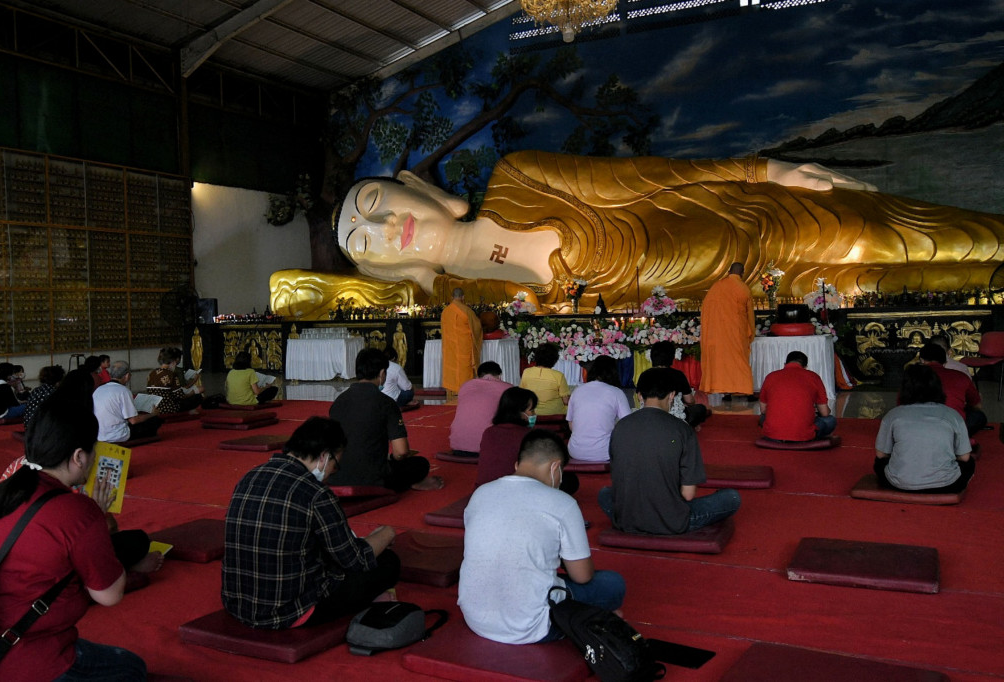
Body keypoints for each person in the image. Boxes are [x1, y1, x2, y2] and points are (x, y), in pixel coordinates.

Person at [271, 152, 1004, 318]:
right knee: (940, 282)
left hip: (760, 221)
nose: (378, 226)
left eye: (371, 201)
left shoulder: (519, 177)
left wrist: (770, 170)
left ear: (416, 190)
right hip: (753, 285)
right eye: (363, 241)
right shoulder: (464, 294)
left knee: (951, 239)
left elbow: (650, 177)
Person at [0, 397, 147, 682]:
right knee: (132, 668)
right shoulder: (76, 510)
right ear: (79, 456)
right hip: (34, 658)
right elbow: (109, 595)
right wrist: (97, 515)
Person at [222, 417, 399, 628]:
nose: (331, 474)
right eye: (335, 466)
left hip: (237, 605)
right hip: (289, 612)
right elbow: (356, 560)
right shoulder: (315, 493)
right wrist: (386, 532)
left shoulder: (249, 476)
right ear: (324, 457)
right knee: (388, 563)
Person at [459, 430, 625, 644]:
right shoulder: (562, 502)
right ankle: (587, 619)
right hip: (533, 626)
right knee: (612, 583)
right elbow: (582, 576)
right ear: (555, 467)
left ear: (518, 464)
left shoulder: (480, 494)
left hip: (475, 618)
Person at [600, 368, 740, 535]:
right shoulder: (682, 429)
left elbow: (618, 478)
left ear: (639, 395)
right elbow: (688, 495)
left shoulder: (620, 427)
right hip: (671, 521)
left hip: (625, 519)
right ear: (672, 394)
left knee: (604, 494)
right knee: (731, 498)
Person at [327, 347, 442, 491]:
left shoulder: (338, 402)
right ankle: (409, 483)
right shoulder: (386, 403)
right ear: (382, 373)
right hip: (373, 479)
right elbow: (401, 452)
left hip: (336, 476)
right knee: (420, 464)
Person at [874, 364, 974, 494]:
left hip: (899, 484)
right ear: (938, 387)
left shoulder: (893, 415)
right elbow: (965, 457)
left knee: (879, 463)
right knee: (970, 463)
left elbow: (881, 454)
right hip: (946, 485)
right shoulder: (952, 415)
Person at [476, 387, 578, 494]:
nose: (534, 414)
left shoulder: (488, 432)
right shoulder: (529, 436)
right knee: (569, 480)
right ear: (519, 412)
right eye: (532, 410)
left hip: (483, 490)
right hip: (516, 491)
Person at [700, 263, 756, 399]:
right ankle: (747, 391)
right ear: (742, 273)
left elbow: (705, 309)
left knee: (723, 362)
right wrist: (751, 331)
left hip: (718, 332)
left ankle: (727, 392)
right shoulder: (743, 288)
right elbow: (749, 314)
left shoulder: (716, 287)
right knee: (740, 361)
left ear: (728, 271)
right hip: (737, 332)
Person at [758, 351, 836, 441]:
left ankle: (778, 433)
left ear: (785, 364)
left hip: (772, 436)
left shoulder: (770, 376)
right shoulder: (813, 377)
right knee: (830, 420)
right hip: (803, 435)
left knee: (763, 418)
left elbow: (763, 410)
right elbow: (825, 413)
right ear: (805, 367)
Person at [566, 356, 631, 463]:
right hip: (605, 452)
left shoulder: (577, 391)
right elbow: (627, 425)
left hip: (575, 451)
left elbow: (571, 425)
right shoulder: (616, 392)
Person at [916, 343, 987, 437]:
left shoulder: (912, 377)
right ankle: (958, 439)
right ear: (945, 362)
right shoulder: (960, 376)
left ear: (922, 360)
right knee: (978, 417)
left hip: (918, 428)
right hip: (952, 429)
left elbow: (901, 406)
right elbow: (977, 405)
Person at [448, 361, 511, 456]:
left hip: (457, 447)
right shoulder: (508, 388)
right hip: (488, 448)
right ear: (500, 375)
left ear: (478, 376)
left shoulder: (465, 386)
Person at [92, 360, 162, 443]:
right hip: (118, 435)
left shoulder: (99, 389)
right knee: (154, 420)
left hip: (99, 435)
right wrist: (153, 414)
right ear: (127, 375)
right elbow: (133, 420)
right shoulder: (123, 391)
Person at [650, 340, 709, 428]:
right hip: (675, 417)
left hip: (650, 415)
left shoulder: (645, 375)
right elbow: (689, 400)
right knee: (701, 409)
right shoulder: (678, 375)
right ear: (671, 357)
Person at [440, 287, 482, 396]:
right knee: (464, 367)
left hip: (450, 347)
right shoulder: (466, 310)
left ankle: (452, 391)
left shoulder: (445, 312)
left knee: (452, 367)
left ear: (452, 297)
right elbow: (477, 327)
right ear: (463, 297)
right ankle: (465, 390)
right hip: (464, 346)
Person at [146, 347, 203, 414]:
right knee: (197, 397)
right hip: (170, 409)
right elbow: (180, 396)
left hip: (155, 408)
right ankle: (188, 411)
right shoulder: (171, 374)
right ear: (173, 362)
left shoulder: (151, 373)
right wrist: (193, 392)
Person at [519, 343, 570, 416]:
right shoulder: (559, 376)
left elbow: (522, 395)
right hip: (555, 413)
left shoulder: (527, 372)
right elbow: (566, 401)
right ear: (554, 359)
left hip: (531, 412)